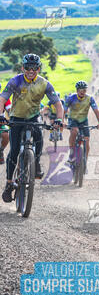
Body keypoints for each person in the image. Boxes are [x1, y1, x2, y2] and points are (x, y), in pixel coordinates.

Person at [0, 53, 64, 202]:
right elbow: (3, 98)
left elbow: (57, 104)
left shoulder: (44, 83)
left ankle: (35, 164)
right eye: (28, 67)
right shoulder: (15, 81)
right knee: (14, 151)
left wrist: (59, 119)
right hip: (16, 118)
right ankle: (9, 183)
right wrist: (1, 115)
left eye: (34, 68)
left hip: (34, 118)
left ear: (39, 68)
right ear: (23, 67)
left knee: (39, 141)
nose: (31, 70)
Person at [64, 81, 99, 164]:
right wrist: (62, 121)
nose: (82, 92)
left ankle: (85, 160)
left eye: (84, 90)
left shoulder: (90, 98)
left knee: (87, 140)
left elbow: (96, 110)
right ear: (77, 90)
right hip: (73, 119)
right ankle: (71, 153)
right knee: (74, 131)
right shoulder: (71, 98)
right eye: (80, 90)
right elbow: (64, 110)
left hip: (83, 120)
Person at [0, 89, 11, 165]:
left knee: (6, 134)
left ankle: (1, 150)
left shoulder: (5, 98)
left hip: (1, 122)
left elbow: (10, 110)